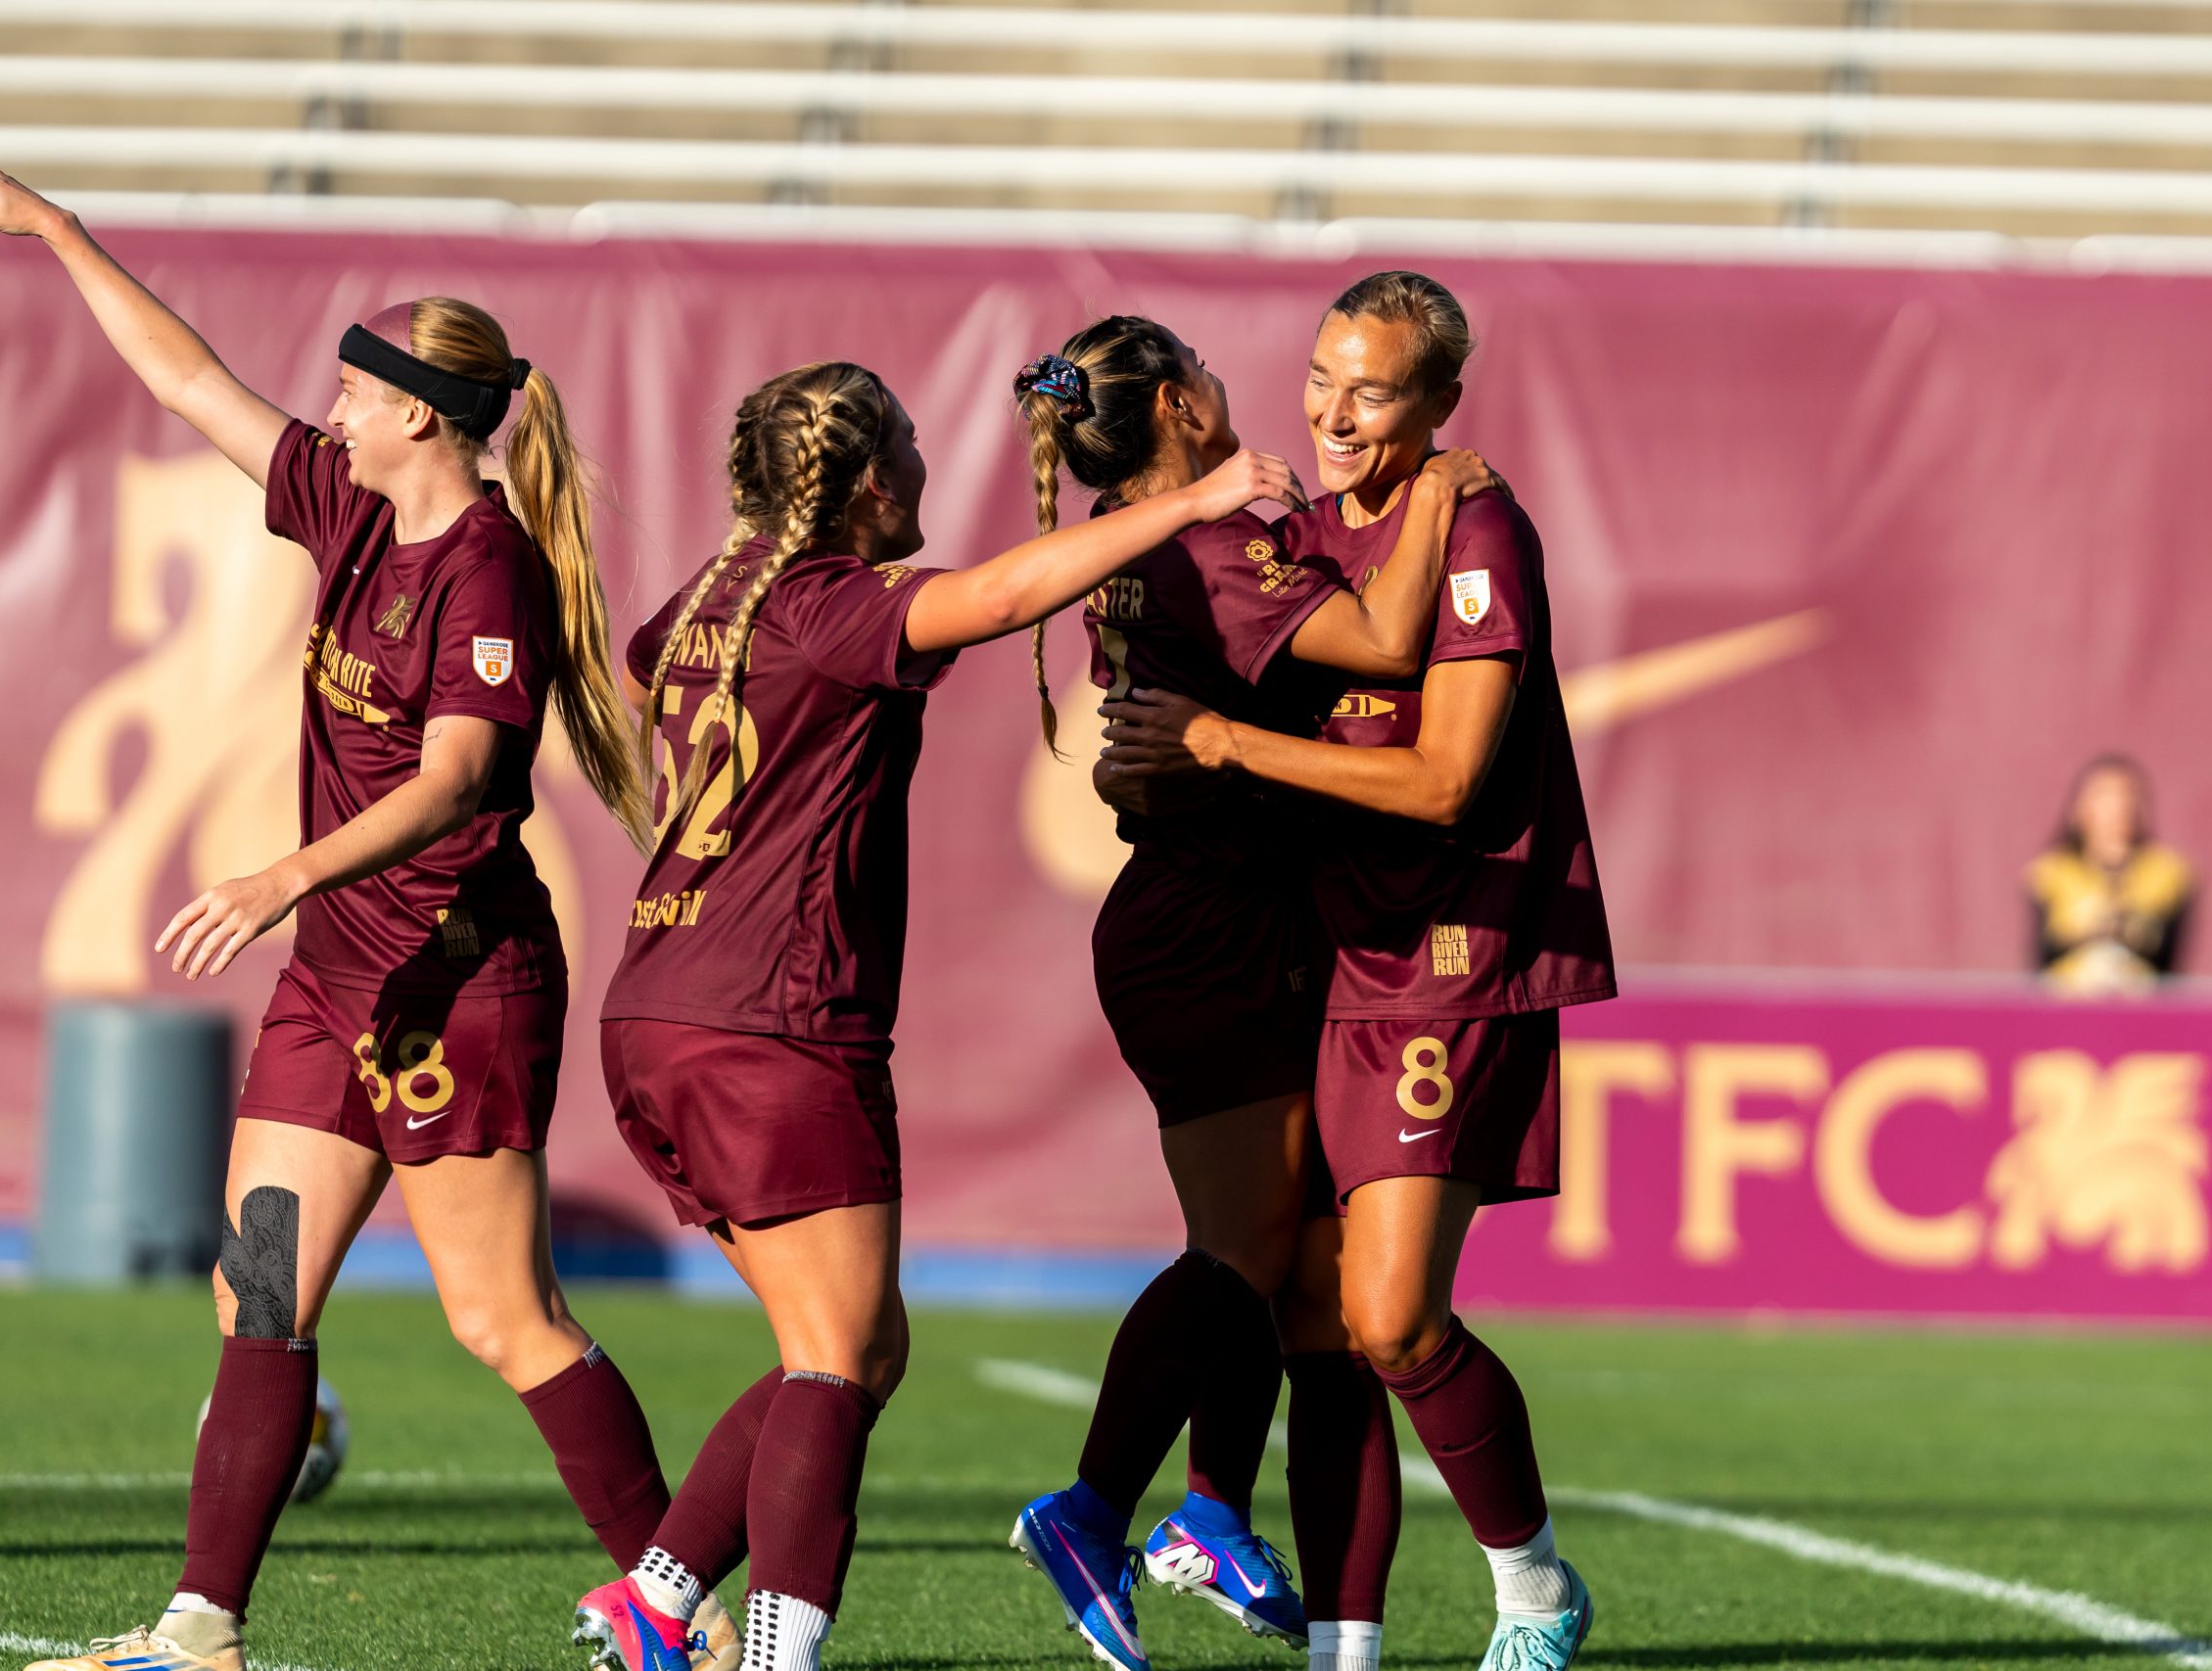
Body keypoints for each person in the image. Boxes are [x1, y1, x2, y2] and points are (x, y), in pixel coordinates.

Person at [0, 142, 738, 1671]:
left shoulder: (484, 568)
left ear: (420, 408)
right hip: (334, 983)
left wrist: (283, 872)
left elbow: (457, 776)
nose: (333, 409)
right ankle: (198, 1622)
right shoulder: (350, 507)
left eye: (358, 389)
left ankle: (671, 1604)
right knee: (261, 1290)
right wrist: (57, 231)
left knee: (505, 1323)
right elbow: (186, 381)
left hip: (456, 984)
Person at [572, 360, 1303, 1671]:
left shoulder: (713, 595)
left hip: (657, 1002)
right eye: (907, 446)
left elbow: (646, 677)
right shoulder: (830, 600)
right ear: (866, 481)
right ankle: (775, 1650)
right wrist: (1198, 498)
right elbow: (1004, 592)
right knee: (836, 1361)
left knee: (854, 1345)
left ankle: (655, 1591)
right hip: (775, 1016)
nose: (922, 468)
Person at [1101, 271, 1615, 1671]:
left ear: (1440, 405)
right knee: (1316, 1315)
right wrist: (1146, 758)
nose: (1332, 408)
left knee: (1391, 1314)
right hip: (1319, 951)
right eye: (1322, 374)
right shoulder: (1300, 533)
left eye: (1372, 388)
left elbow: (1448, 778)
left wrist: (1221, 746)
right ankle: (1335, 1635)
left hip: (1450, 950)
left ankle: (1532, 1583)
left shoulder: (1482, 528)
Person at [1002, 316, 1498, 1671]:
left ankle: (1231, 1527)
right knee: (1243, 1249)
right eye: (1212, 373)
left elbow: (1148, 746)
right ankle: (1098, 1506)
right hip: (1209, 924)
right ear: (1179, 400)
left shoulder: (1135, 529)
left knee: (1306, 1273)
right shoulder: (1210, 536)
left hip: (1224, 914)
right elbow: (1395, 643)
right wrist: (1442, 486)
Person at [2028, 755, 2194, 994]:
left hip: (2139, 1005)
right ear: (2078, 808)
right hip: (2069, 1005)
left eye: (2127, 795)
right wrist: (2088, 930)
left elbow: (2169, 962)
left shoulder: (2167, 873)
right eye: (2104, 795)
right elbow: (2041, 958)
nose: (2118, 806)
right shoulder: (2051, 872)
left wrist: (2127, 929)